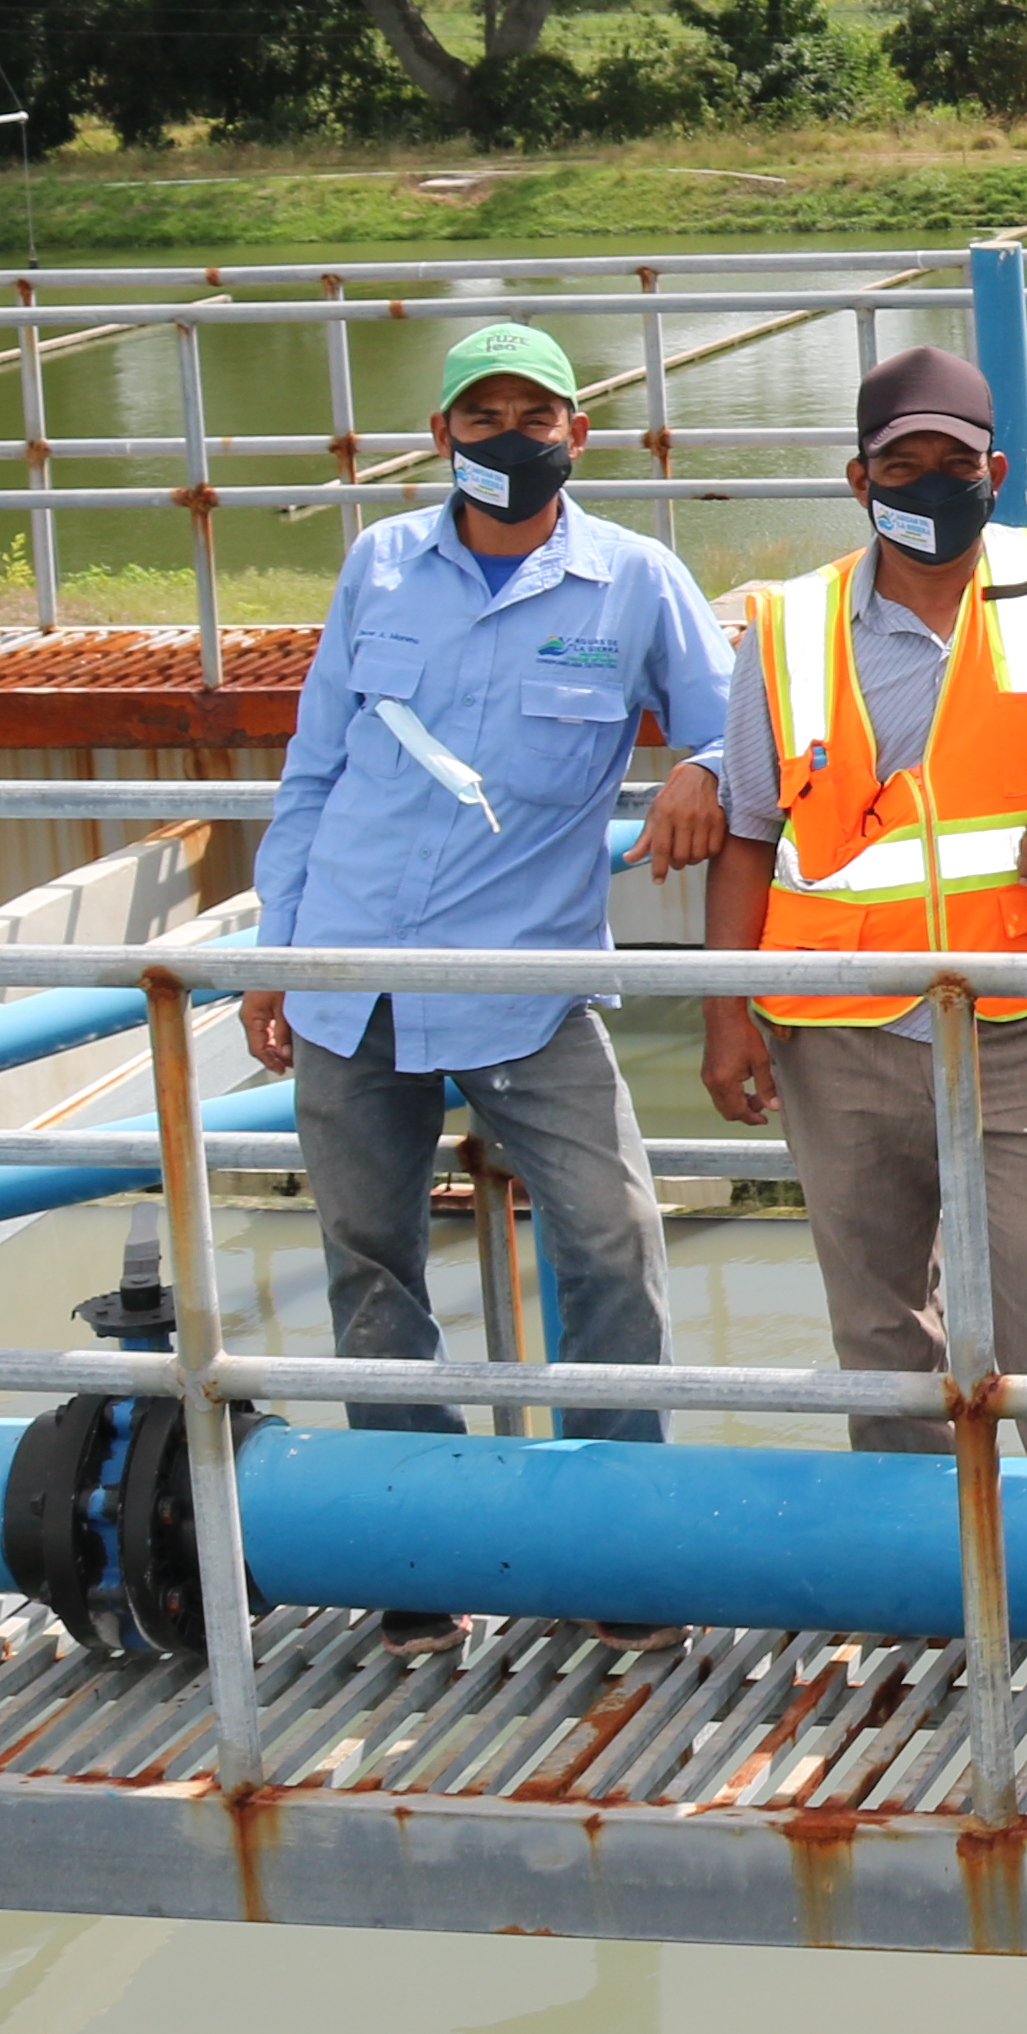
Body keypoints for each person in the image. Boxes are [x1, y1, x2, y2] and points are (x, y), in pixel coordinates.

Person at [248, 319, 732, 1652]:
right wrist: (272, 951)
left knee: (613, 1236)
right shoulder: (382, 565)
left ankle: (612, 1541)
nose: (507, 442)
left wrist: (705, 769)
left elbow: (738, 719)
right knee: (369, 1270)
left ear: (581, 435)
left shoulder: (632, 582)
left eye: (536, 419)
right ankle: (424, 1542)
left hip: (526, 986)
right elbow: (314, 768)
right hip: (349, 976)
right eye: (482, 419)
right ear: (440, 438)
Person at [692, 345, 1027, 1459]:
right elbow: (751, 828)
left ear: (993, 471)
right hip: (835, 1025)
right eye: (897, 463)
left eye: (950, 461)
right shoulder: (790, 625)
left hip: (1011, 1014)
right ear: (858, 482)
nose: (925, 484)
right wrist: (726, 1015)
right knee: (878, 1326)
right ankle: (923, 1583)